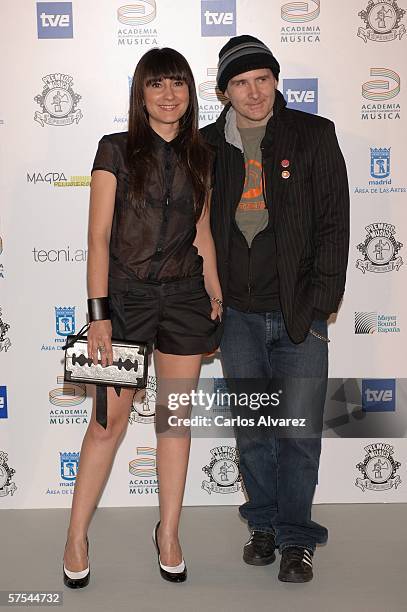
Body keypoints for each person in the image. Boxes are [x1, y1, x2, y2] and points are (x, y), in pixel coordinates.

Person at [62, 47, 223, 588]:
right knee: (107, 424)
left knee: (174, 423)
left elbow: (202, 233)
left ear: (189, 92)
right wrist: (98, 315)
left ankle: (169, 532)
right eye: (158, 84)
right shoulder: (115, 150)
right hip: (124, 301)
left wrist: (214, 291)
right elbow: (97, 239)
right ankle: (76, 536)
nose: (169, 94)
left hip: (184, 300)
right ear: (142, 93)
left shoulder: (204, 156)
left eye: (178, 83)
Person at [201, 35, 349, 583]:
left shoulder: (313, 135)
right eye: (241, 82)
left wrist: (319, 306)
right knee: (254, 434)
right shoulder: (205, 146)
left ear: (276, 81)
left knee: (300, 433)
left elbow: (335, 223)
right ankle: (263, 524)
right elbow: (193, 231)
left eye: (262, 78)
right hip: (236, 315)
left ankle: (296, 537)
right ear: (224, 92)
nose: (254, 91)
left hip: (298, 315)